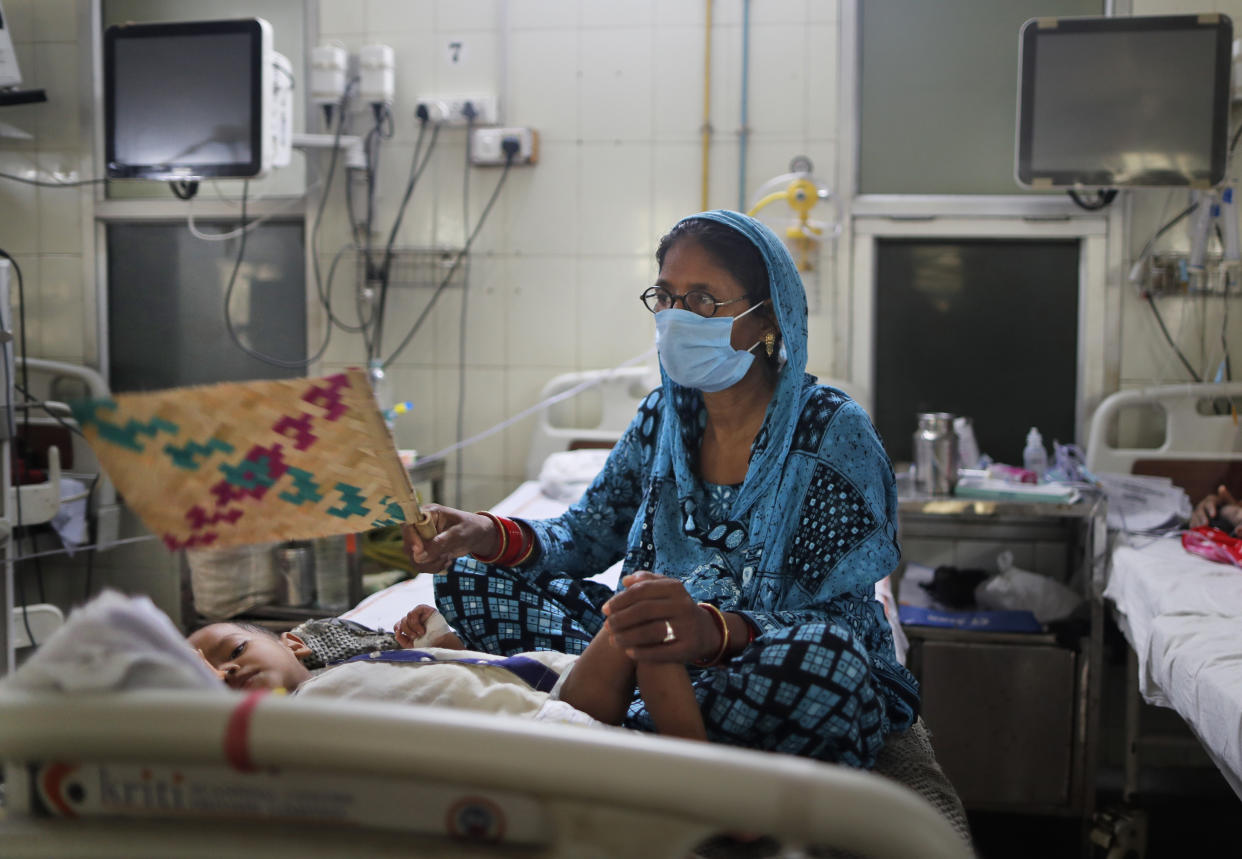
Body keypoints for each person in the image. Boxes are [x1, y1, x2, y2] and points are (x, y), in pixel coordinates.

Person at [403, 210, 919, 769]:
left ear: (766, 319)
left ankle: (601, 699)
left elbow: (841, 618)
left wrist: (711, 631)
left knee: (828, 663)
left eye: (702, 301)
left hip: (759, 657)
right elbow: (585, 536)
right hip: (651, 647)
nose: (676, 317)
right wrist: (484, 533)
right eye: (666, 297)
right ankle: (651, 707)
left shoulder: (828, 431)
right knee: (474, 571)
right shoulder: (663, 419)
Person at [188, 574, 707, 741]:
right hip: (528, 730)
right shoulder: (307, 713)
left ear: (294, 643)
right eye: (203, 679)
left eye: (233, 652)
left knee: (638, 609)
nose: (226, 671)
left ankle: (706, 775)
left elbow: (461, 670)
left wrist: (436, 642)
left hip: (554, 691)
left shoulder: (359, 666)